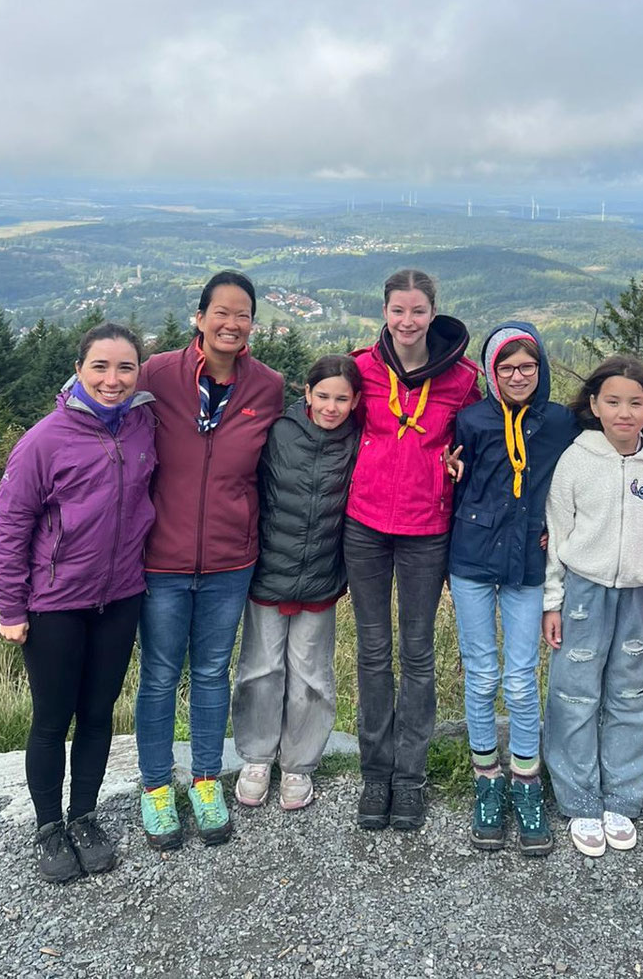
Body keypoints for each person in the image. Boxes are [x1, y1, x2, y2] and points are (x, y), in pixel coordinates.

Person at [0, 323, 156, 883]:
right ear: (79, 369)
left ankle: (83, 816)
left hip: (121, 597)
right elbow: (9, 524)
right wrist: (11, 608)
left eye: (126, 367)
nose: (113, 379)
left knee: (99, 713)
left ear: (139, 372)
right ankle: (47, 827)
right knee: (52, 719)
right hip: (55, 603)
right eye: (100, 366)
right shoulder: (45, 439)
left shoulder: (143, 425)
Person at [134, 271, 284, 850]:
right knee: (159, 676)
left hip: (230, 560)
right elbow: (99, 404)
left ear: (253, 324)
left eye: (243, 314)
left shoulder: (267, 386)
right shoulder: (156, 374)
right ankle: (155, 787)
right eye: (221, 312)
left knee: (211, 673)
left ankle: (204, 780)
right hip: (161, 558)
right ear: (199, 318)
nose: (232, 323)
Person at [344, 268, 479, 832]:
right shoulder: (360, 369)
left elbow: (481, 441)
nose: (407, 321)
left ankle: (411, 775)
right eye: (398, 310)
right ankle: (376, 773)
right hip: (365, 523)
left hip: (427, 526)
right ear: (384, 312)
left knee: (418, 653)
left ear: (433, 313)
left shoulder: (464, 379)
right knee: (373, 651)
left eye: (417, 311)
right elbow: (334, 425)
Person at [542, 355, 643, 858]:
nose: (623, 412)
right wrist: (552, 601)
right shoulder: (576, 459)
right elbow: (557, 533)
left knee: (636, 694)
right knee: (573, 693)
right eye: (612, 401)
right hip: (583, 592)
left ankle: (623, 797)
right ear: (594, 405)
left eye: (634, 402)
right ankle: (579, 797)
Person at [449, 322, 578, 857]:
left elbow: (583, 477)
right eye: (507, 368)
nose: (519, 376)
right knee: (481, 676)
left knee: (522, 682)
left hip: (529, 560)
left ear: (541, 368)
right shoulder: (472, 420)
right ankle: (487, 778)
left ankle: (526, 781)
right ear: (492, 373)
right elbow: (453, 480)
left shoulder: (561, 422)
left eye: (528, 366)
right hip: (472, 558)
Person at [231, 354, 362, 812]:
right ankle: (256, 758)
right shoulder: (279, 432)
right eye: (322, 395)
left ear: (355, 401)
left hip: (322, 576)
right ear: (306, 393)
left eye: (342, 399)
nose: (331, 407)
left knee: (312, 675)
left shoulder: (359, 440)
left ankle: (298, 764)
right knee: (260, 669)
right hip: (268, 570)